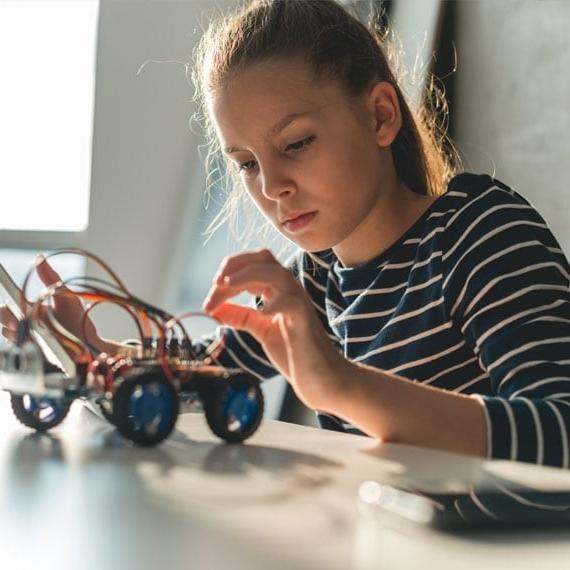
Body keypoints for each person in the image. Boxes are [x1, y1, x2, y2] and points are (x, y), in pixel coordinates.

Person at [2, 0, 570, 468]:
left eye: (296, 143)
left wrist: (341, 385)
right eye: (246, 163)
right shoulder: (318, 277)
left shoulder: (481, 231)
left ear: (379, 116)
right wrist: (96, 354)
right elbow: (208, 387)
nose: (271, 186)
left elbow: (561, 432)